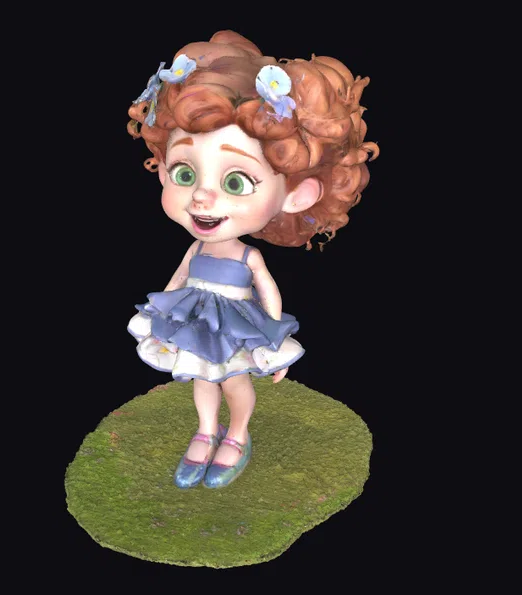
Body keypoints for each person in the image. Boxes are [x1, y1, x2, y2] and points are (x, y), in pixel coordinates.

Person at [126, 30, 379, 489]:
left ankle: (237, 435)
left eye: (236, 182)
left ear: (297, 195)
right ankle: (206, 431)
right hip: (195, 320)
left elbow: (268, 295)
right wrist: (160, 315)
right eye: (184, 172)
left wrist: (274, 342)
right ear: (162, 169)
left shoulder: (248, 254)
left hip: (234, 325)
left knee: (234, 381)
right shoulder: (195, 248)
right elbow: (177, 280)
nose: (202, 197)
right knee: (202, 378)